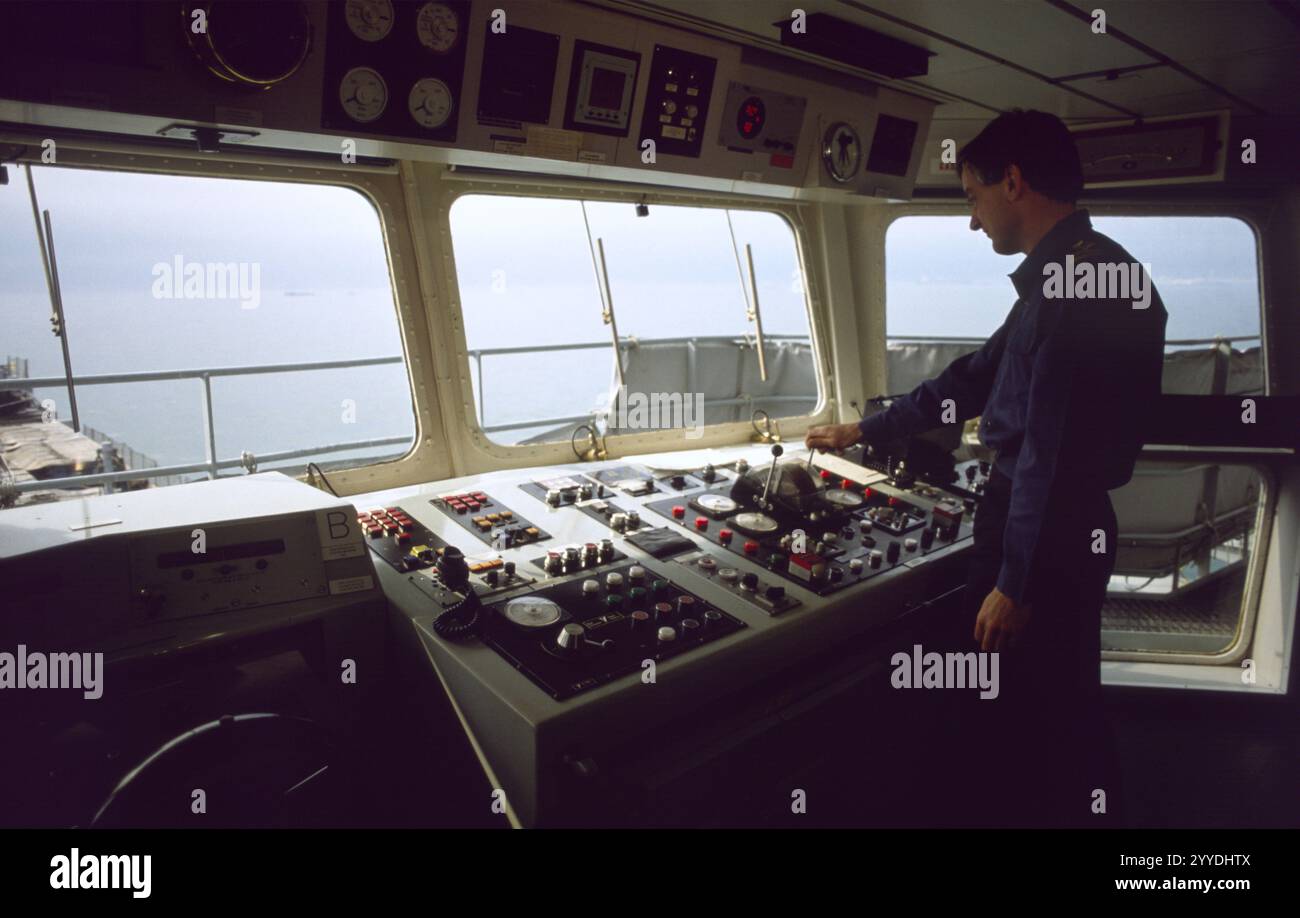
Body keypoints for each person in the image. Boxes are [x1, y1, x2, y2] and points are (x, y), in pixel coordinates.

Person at [806, 109, 1167, 826]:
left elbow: (1050, 454)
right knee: (1063, 704)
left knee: (1018, 712)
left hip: (1041, 533)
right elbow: (973, 378)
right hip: (1070, 525)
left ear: (1013, 181)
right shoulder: (1095, 268)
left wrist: (1015, 582)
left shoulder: (1070, 291)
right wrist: (863, 429)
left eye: (972, 197)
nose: (973, 220)